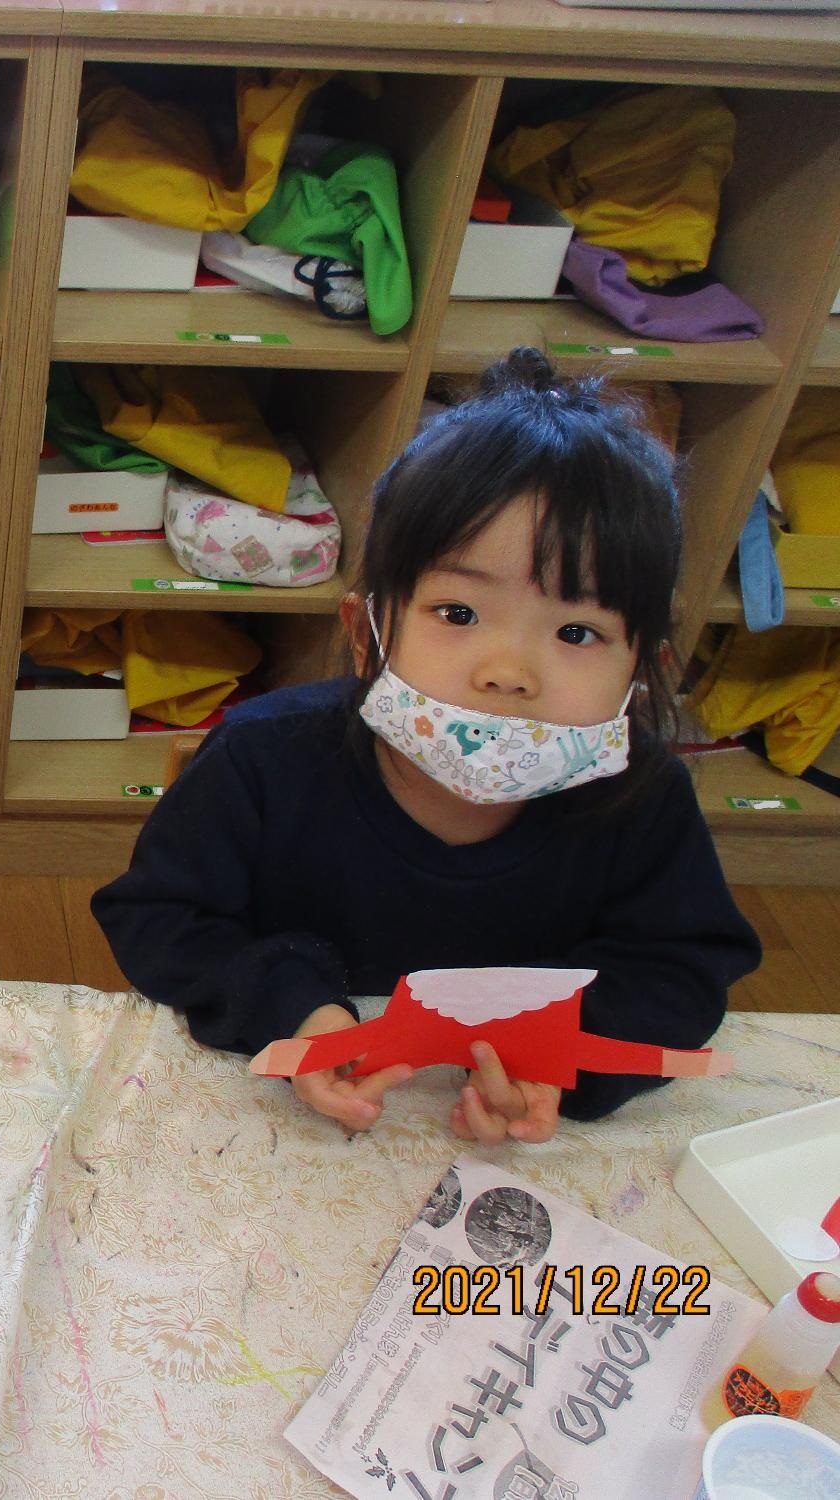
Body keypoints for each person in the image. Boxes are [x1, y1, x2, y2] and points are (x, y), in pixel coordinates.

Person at [93, 348, 759, 1142]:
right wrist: (294, 1007)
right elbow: (160, 917)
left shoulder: (642, 798)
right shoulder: (263, 760)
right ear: (366, 633)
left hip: (510, 1148)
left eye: (577, 630)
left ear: (640, 669)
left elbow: (682, 974)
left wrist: (561, 1055)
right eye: (458, 614)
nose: (508, 671)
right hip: (285, 1127)